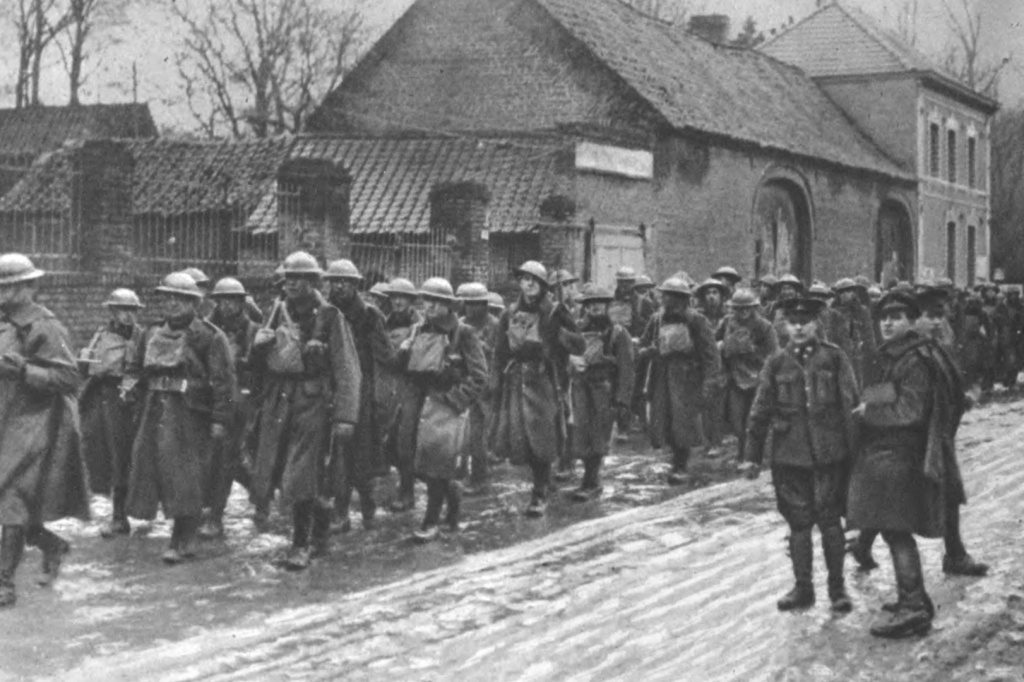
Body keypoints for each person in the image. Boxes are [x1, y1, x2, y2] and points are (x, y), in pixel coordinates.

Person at [846, 290, 979, 638]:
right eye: (884, 318)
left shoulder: (915, 358)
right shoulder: (894, 354)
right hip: (889, 451)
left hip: (900, 454)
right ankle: (914, 599)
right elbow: (885, 392)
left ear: (910, 321)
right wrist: (869, 404)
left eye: (897, 317)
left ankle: (914, 606)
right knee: (892, 528)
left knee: (896, 531)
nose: (888, 323)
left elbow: (910, 411)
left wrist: (869, 413)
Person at [741, 296, 858, 613]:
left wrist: (855, 452)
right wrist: (752, 455)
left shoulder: (834, 359)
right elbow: (760, 410)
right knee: (798, 525)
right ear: (784, 326)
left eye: (805, 321)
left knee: (831, 523)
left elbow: (850, 405)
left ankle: (837, 590)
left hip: (828, 454)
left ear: (817, 324)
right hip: (788, 456)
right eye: (792, 322)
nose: (799, 327)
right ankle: (803, 588)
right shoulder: (776, 363)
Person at [249, 252, 361, 569]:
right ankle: (320, 531)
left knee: (302, 473)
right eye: (288, 278)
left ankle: (301, 543)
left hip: (314, 402)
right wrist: (257, 346)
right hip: (279, 401)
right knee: (282, 470)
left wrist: (345, 416)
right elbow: (256, 361)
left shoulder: (330, 317)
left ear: (313, 282)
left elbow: (347, 368)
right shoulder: (276, 311)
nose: (292, 283)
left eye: (299, 278)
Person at [126, 272, 236, 565]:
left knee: (186, 477)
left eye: (181, 299)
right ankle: (174, 528)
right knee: (152, 471)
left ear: (194, 303)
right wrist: (131, 387)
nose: (173, 304)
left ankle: (182, 537)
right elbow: (135, 368)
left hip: (190, 414)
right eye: (168, 298)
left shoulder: (209, 337)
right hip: (155, 411)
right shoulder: (150, 333)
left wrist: (219, 420)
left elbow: (223, 383)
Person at [0, 254, 89, 608]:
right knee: (16, 505)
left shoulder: (46, 327)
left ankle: (4, 582)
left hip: (35, 425)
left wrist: (24, 370)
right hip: (5, 420)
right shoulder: (4, 323)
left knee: (12, 500)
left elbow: (70, 378)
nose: (2, 293)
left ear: (29, 287)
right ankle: (52, 545)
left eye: (9, 286)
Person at [398, 278, 487, 541]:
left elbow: (480, 376)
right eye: (428, 301)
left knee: (437, 464)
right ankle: (453, 497)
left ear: (449, 306)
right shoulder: (417, 329)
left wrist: (455, 399)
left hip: (446, 406)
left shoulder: (463, 333)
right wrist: (403, 353)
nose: (431, 307)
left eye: (438, 302)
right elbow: (407, 368)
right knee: (414, 460)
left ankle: (431, 521)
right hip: (418, 402)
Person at [492, 261, 584, 517]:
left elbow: (580, 345)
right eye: (524, 279)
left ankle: (540, 492)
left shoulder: (556, 311)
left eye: (534, 280)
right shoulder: (509, 313)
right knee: (521, 439)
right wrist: (495, 382)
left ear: (543, 285)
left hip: (546, 381)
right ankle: (543, 481)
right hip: (517, 381)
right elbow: (500, 352)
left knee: (543, 437)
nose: (528, 284)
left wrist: (560, 335)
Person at [324, 259, 393, 532]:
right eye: (334, 281)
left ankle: (366, 502)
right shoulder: (325, 313)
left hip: (362, 392)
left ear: (355, 285)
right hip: (331, 389)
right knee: (336, 454)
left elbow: (384, 357)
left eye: (345, 282)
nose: (339, 287)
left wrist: (379, 398)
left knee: (360, 454)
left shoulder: (369, 315)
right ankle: (340, 512)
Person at [638, 277, 720, 485]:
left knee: (683, 422)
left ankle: (681, 465)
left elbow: (710, 355)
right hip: (662, 376)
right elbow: (643, 345)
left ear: (682, 299)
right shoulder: (657, 320)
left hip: (687, 378)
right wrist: (649, 351)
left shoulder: (696, 321)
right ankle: (676, 460)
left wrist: (709, 383)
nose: (666, 300)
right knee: (664, 419)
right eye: (665, 296)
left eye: (672, 296)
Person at [79, 288, 144, 538]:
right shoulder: (101, 335)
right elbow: (86, 369)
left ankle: (120, 518)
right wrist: (85, 361)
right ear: (113, 312)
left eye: (132, 310)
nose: (127, 316)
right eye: (122, 310)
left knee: (123, 456)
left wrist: (132, 383)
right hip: (100, 397)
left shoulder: (141, 336)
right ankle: (110, 509)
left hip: (127, 401)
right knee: (99, 451)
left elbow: (144, 367)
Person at [200, 277, 261, 538]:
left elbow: (260, 370)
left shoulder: (252, 331)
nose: (226, 306)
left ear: (241, 302)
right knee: (217, 458)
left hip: (239, 403)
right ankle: (260, 491)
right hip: (210, 399)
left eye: (232, 300)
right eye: (222, 300)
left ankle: (215, 517)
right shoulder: (206, 330)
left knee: (226, 458)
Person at [568, 284, 634, 501]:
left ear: (607, 306)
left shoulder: (617, 333)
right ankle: (587, 479)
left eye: (599, 303)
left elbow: (626, 368)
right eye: (590, 303)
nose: (595, 307)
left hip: (604, 390)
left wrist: (622, 400)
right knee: (582, 433)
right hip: (580, 388)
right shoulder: (577, 330)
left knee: (599, 435)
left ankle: (592, 480)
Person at [716, 288, 777, 463]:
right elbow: (714, 342)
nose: (743, 312)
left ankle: (752, 457)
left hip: (758, 378)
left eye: (747, 308)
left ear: (753, 308)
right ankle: (742, 452)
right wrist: (723, 346)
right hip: (735, 378)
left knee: (754, 420)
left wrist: (751, 351)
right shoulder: (727, 323)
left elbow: (773, 354)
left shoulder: (764, 326)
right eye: (738, 308)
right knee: (737, 421)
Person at [381, 278, 423, 512]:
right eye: (393, 297)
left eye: (402, 297)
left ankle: (407, 492)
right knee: (389, 440)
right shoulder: (385, 322)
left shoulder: (419, 326)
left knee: (406, 442)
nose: (397, 301)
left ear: (410, 301)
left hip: (411, 388)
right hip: (389, 387)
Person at [456, 282, 499, 495]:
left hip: (488, 387)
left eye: (475, 304)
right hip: (466, 385)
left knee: (480, 435)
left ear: (484, 305)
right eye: (466, 303)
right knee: (466, 436)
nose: (469, 308)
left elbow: (498, 356)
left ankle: (480, 476)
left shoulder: (494, 325)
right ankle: (465, 474)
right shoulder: (461, 324)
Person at [609, 266, 656, 435]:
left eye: (628, 282)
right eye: (621, 282)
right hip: (617, 353)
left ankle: (642, 423)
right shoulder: (611, 302)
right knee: (620, 388)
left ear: (633, 283)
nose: (624, 286)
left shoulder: (644, 303)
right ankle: (623, 427)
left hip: (638, 352)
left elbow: (653, 327)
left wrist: (642, 342)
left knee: (637, 388)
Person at [695, 278, 730, 452]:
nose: (711, 297)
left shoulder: (729, 317)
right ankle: (707, 440)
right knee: (704, 404)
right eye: (708, 293)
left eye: (715, 293)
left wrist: (724, 343)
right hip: (702, 365)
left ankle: (716, 441)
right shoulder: (698, 317)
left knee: (719, 405)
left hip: (725, 366)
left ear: (722, 296)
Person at [831, 278, 877, 387]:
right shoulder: (833, 313)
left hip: (859, 355)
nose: (845, 294)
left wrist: (872, 353)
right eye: (842, 292)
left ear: (854, 293)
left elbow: (868, 334)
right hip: (840, 354)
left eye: (848, 291)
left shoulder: (862, 311)